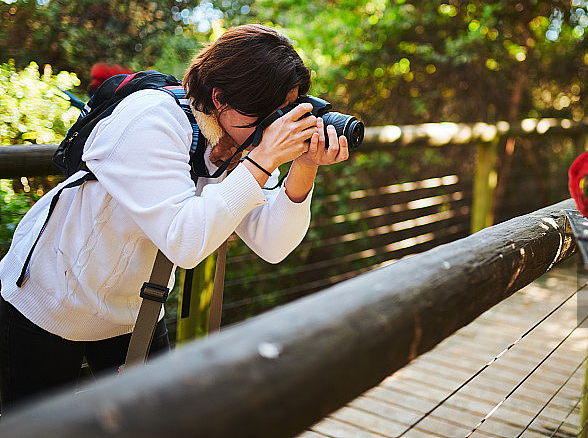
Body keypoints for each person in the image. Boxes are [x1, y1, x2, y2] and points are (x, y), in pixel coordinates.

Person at [0, 24, 349, 411]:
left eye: (282, 111)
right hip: (52, 299)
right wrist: (263, 159)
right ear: (219, 98)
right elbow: (185, 242)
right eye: (265, 113)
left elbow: (273, 244)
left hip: (134, 310)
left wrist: (305, 166)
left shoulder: (239, 142)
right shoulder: (151, 119)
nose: (274, 125)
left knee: (160, 421)